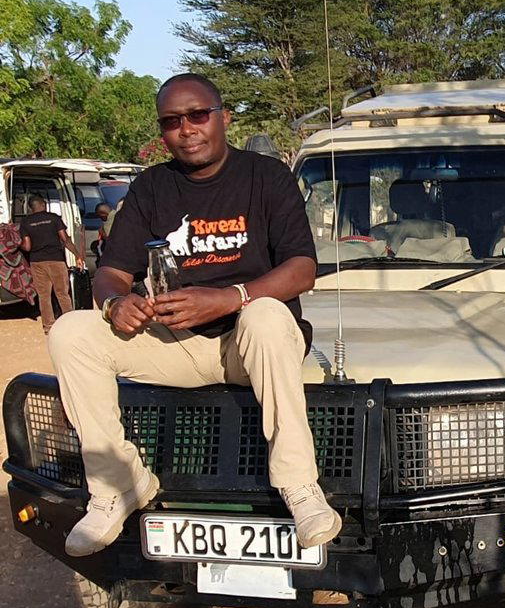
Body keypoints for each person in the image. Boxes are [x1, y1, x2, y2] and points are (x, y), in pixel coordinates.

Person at [48, 73, 342, 558]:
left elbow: (302, 269)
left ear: (224, 117)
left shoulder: (267, 177)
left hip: (251, 346)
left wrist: (228, 298)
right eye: (172, 121)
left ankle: (300, 487)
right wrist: (116, 303)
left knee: (266, 315)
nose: (186, 129)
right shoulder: (151, 187)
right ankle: (119, 485)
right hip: (178, 344)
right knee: (71, 330)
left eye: (198, 115)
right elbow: (112, 272)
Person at [19, 195, 85, 333]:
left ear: (31, 208)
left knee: (44, 296)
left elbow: (27, 246)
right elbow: (65, 239)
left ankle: (48, 326)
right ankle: (70, 323)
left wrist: (18, 245)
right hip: (56, 260)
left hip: (37, 262)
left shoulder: (25, 222)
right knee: (62, 293)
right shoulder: (54, 218)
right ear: (43, 204)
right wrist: (78, 255)